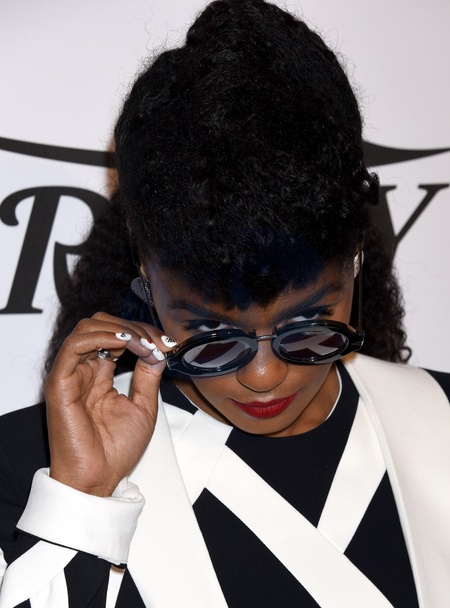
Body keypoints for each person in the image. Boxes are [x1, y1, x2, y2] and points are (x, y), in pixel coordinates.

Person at [0, 1, 449, 606]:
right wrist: (80, 500)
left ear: (355, 263)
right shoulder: (28, 466)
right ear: (145, 275)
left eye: (308, 324)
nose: (263, 376)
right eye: (212, 333)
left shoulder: (439, 421)